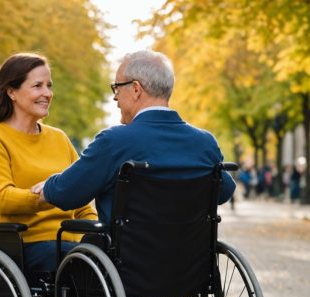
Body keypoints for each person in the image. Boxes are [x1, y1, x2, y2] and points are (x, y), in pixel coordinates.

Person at [34, 50, 236, 223]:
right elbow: (224, 192)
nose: (115, 97)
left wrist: (49, 187)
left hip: (126, 263)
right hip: (191, 262)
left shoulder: (114, 142)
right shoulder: (204, 143)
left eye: (117, 87)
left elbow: (68, 193)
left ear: (136, 89)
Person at [0, 52, 97, 275]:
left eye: (49, 85)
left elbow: (82, 202)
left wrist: (95, 234)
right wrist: (47, 195)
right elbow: (3, 198)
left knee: (113, 255)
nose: (47, 93)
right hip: (25, 245)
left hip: (69, 243)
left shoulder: (58, 138)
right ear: (11, 91)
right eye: (37, 86)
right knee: (87, 266)